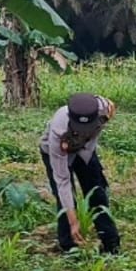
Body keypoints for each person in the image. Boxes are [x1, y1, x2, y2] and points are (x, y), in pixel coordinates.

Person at [39, 92, 121, 253]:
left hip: (85, 151)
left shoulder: (102, 107)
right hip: (58, 152)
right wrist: (74, 221)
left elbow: (109, 104)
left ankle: (111, 245)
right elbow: (63, 181)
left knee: (97, 193)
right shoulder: (58, 131)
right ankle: (69, 246)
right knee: (66, 200)